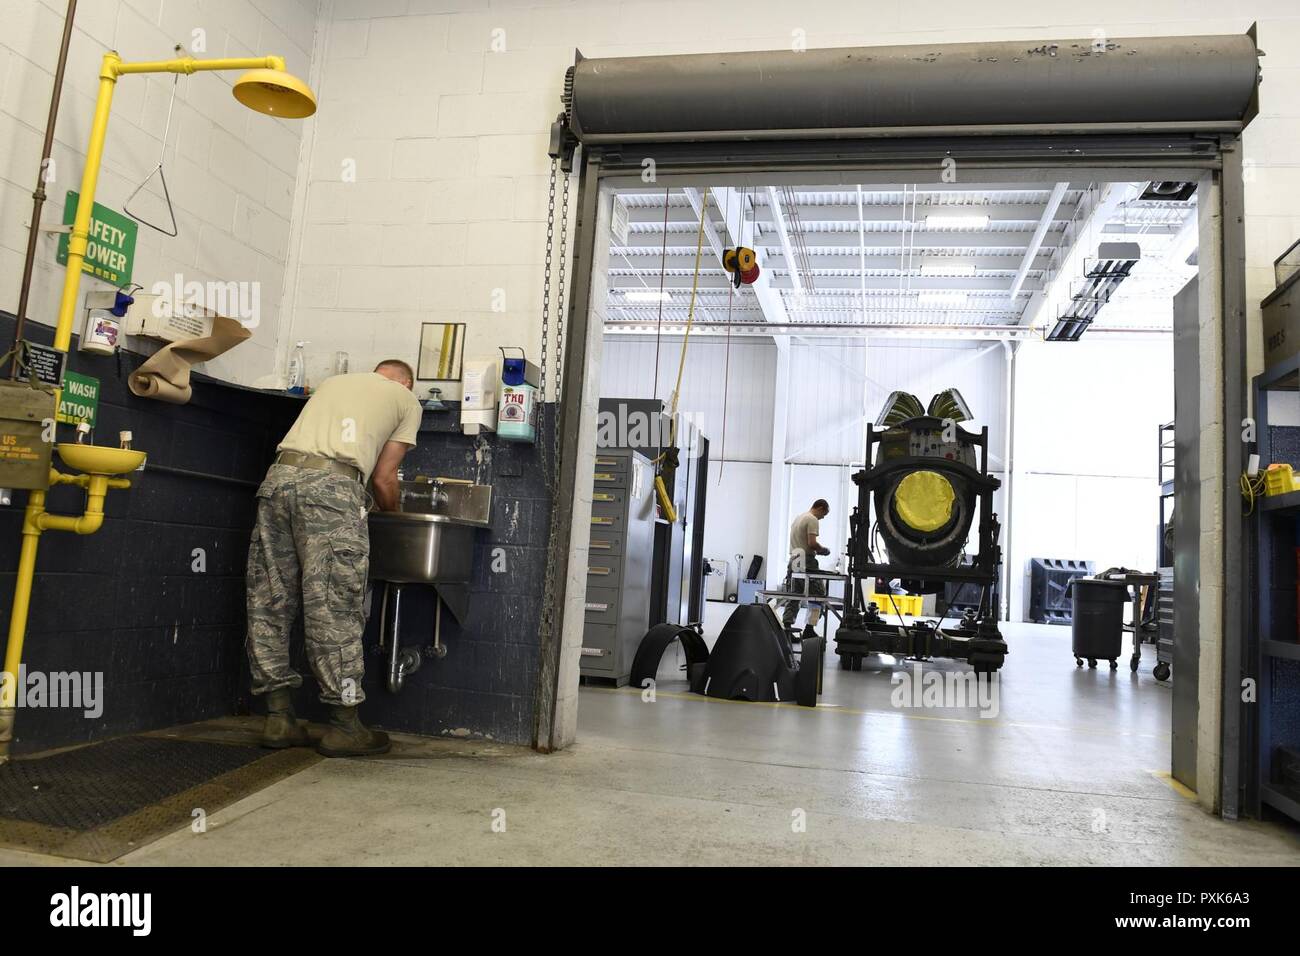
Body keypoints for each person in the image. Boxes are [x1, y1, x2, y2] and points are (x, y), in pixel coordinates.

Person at [246, 359, 422, 756]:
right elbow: (383, 478)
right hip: (332, 490)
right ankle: (345, 724)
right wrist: (393, 518)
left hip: (277, 482)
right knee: (334, 605)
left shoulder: (334, 383)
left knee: (269, 600)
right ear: (407, 382)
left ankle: (278, 717)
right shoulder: (407, 401)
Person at [781, 499, 831, 639]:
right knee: (819, 596)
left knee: (794, 596)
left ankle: (787, 629)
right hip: (806, 562)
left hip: (794, 559)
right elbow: (812, 543)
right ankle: (809, 629)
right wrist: (823, 550)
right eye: (824, 514)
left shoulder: (799, 518)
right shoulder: (812, 519)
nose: (822, 518)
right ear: (820, 508)